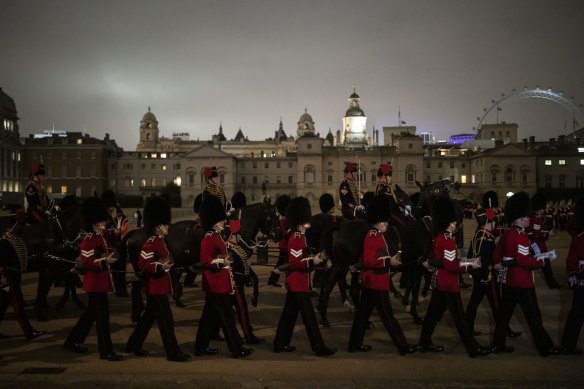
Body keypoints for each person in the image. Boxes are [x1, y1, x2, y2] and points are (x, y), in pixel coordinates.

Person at [418, 195, 490, 358]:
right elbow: (451, 265)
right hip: (449, 283)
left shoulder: (439, 237)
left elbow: (441, 259)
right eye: (456, 222)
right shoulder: (448, 240)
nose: (457, 225)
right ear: (452, 222)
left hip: (440, 283)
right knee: (460, 319)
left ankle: (424, 342)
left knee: (432, 315)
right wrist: (470, 264)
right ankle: (473, 348)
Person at [491, 192, 562, 356]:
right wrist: (541, 261)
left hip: (509, 280)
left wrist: (504, 263)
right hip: (522, 281)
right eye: (527, 218)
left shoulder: (508, 233)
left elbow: (496, 255)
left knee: (504, 315)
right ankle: (545, 347)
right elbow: (524, 261)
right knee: (533, 316)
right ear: (521, 218)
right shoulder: (520, 236)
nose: (529, 220)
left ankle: (497, 344)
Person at [348, 195, 417, 355]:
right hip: (376, 281)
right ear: (376, 221)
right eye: (384, 221)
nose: (386, 223)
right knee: (388, 316)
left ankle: (354, 344)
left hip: (371, 282)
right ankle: (403, 345)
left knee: (362, 316)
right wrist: (389, 262)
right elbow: (369, 261)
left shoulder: (377, 235)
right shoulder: (372, 236)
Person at [125, 196, 191, 362]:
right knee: (166, 320)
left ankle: (133, 344)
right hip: (154, 287)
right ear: (156, 227)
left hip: (160, 285)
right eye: (164, 225)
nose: (167, 227)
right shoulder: (150, 243)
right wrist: (160, 267)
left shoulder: (161, 241)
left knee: (148, 317)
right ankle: (173, 352)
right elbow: (143, 264)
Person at [273, 196, 337, 357]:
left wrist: (314, 259)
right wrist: (312, 262)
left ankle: (280, 344)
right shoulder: (296, 238)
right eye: (306, 223)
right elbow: (295, 263)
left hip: (298, 282)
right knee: (310, 319)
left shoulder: (300, 236)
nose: (308, 226)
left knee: (289, 315)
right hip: (298, 283)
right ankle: (319, 348)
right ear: (300, 222)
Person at [63, 196, 123, 361]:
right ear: (92, 224)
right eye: (100, 224)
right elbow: (87, 263)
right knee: (102, 318)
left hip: (100, 282)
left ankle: (72, 340)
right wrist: (105, 261)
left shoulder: (99, 237)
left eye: (103, 224)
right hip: (94, 283)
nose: (104, 226)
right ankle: (106, 351)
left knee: (91, 314)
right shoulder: (88, 241)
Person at [194, 195, 253, 358]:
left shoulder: (217, 236)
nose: (223, 223)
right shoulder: (209, 238)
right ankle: (237, 348)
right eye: (220, 221)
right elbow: (205, 261)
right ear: (213, 221)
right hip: (216, 284)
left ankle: (200, 347)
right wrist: (222, 261)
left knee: (208, 318)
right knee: (228, 319)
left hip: (219, 283)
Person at [561, 196, 584, 355]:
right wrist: (573, 274)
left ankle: (568, 343)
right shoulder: (580, 238)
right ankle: (568, 344)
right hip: (582, 278)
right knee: (577, 313)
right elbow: (572, 260)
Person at [527, 193, 563, 289]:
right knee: (545, 264)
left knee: (543, 264)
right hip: (537, 245)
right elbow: (537, 233)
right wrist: (547, 233)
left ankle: (552, 282)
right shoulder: (536, 218)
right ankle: (551, 283)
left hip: (535, 244)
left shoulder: (533, 216)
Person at [374, 162, 413, 226]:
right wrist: (403, 211)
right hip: (388, 214)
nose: (390, 178)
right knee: (406, 224)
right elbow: (391, 204)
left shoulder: (382, 187)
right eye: (389, 176)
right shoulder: (384, 188)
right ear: (384, 176)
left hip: (387, 213)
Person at [267, 194, 291, 287]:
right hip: (284, 245)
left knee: (282, 264)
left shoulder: (285, 220)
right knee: (282, 264)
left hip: (285, 245)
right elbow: (283, 233)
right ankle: (273, 280)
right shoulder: (282, 221)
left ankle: (272, 280)